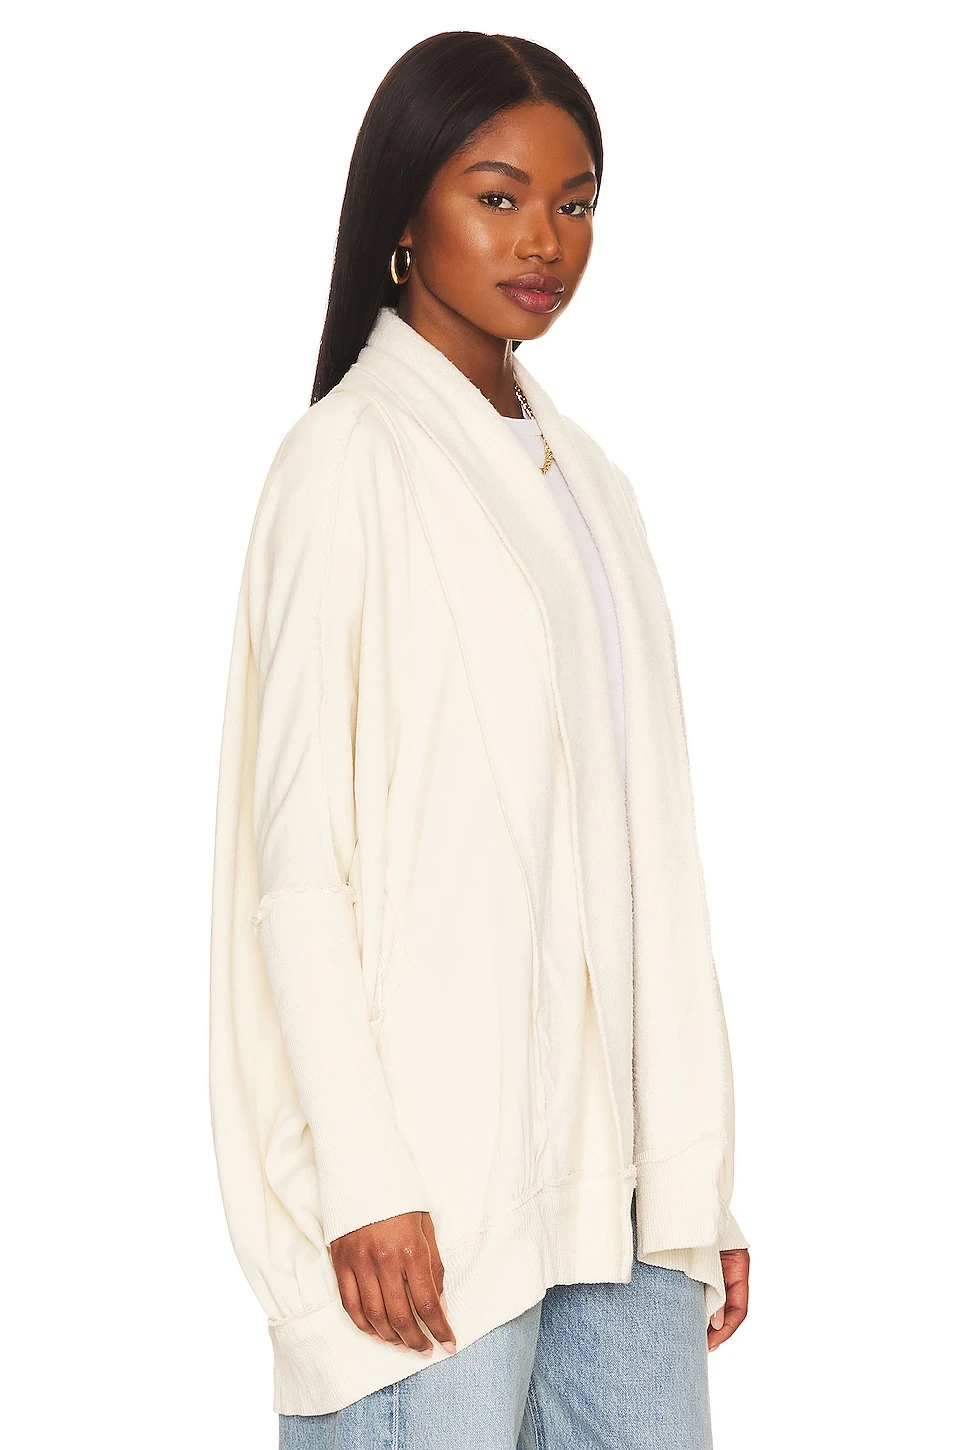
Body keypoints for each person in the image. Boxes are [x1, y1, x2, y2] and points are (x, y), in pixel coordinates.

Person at [209, 29, 751, 1450]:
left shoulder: (594, 487)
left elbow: (642, 846)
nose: (544, 241)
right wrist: (364, 1178)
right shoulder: (346, 464)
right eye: (497, 195)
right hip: (434, 1198)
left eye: (576, 203)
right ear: (406, 209)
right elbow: (297, 869)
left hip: (619, 1198)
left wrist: (694, 1178)